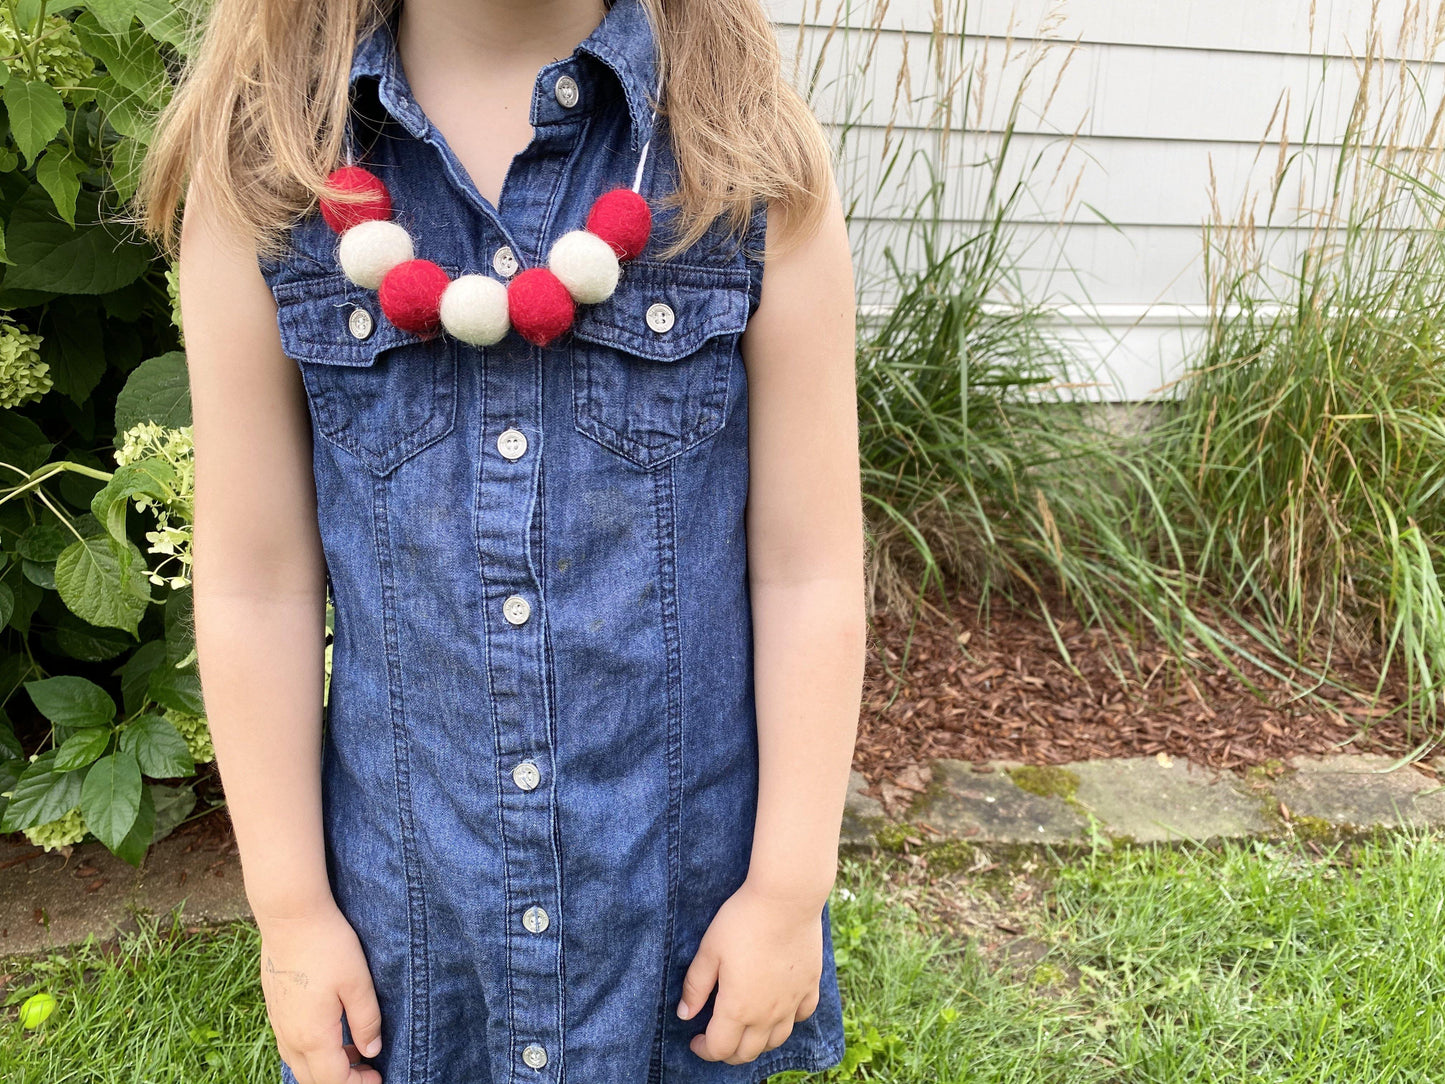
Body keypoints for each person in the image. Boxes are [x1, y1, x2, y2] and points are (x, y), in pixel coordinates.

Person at [133, 0, 863, 1080]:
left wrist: (786, 887)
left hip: (680, 929)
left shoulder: (741, 155)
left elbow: (805, 570)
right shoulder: (267, 175)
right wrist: (288, 912)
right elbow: (256, 583)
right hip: (413, 945)